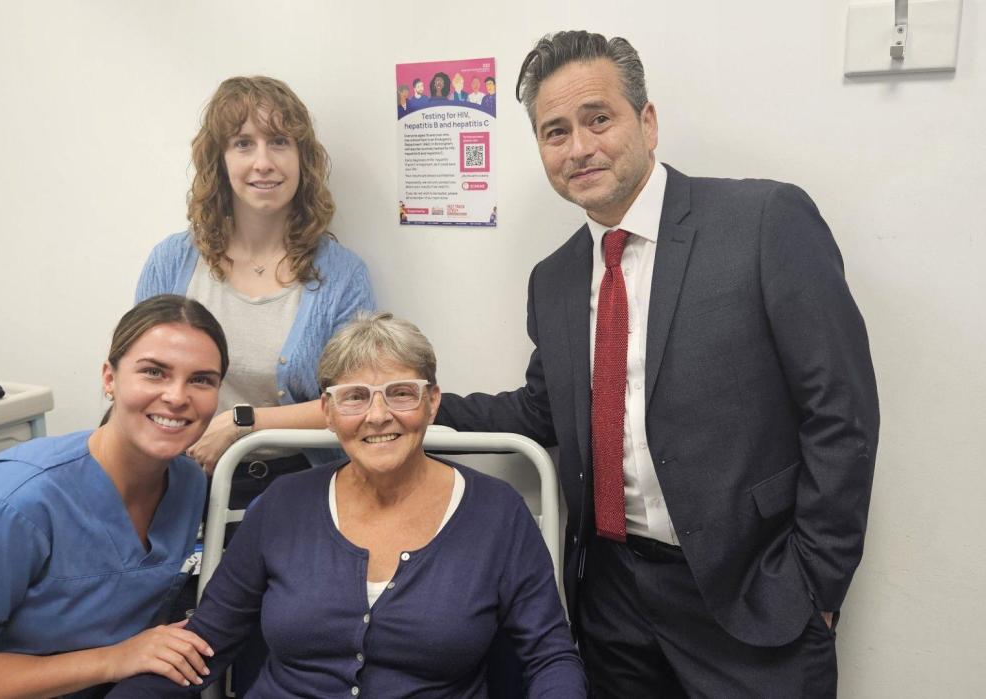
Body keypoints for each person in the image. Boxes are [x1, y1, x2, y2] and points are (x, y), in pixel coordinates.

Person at [433, 31, 880, 698]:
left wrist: (813, 580)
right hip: (612, 600)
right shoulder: (553, 279)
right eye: (555, 132)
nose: (578, 147)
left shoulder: (762, 222)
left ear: (647, 121)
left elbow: (841, 412)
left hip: (753, 595)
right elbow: (543, 409)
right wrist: (412, 402)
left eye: (597, 119)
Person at [106, 312, 587, 698]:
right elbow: (206, 643)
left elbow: (549, 655)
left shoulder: (496, 514)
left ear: (432, 402)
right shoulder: (282, 505)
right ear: (330, 412)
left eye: (401, 393)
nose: (379, 416)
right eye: (354, 397)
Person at [0, 295, 228, 699]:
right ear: (109, 379)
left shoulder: (188, 483)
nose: (176, 396)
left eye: (201, 379)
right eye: (154, 372)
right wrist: (115, 658)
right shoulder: (15, 502)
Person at [136, 76, 374, 503]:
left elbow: (356, 401)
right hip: (180, 481)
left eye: (279, 141)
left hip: (301, 487)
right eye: (243, 143)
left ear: (303, 158)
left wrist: (243, 422)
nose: (263, 162)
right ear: (219, 160)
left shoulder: (343, 276)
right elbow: (138, 379)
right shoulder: (171, 262)